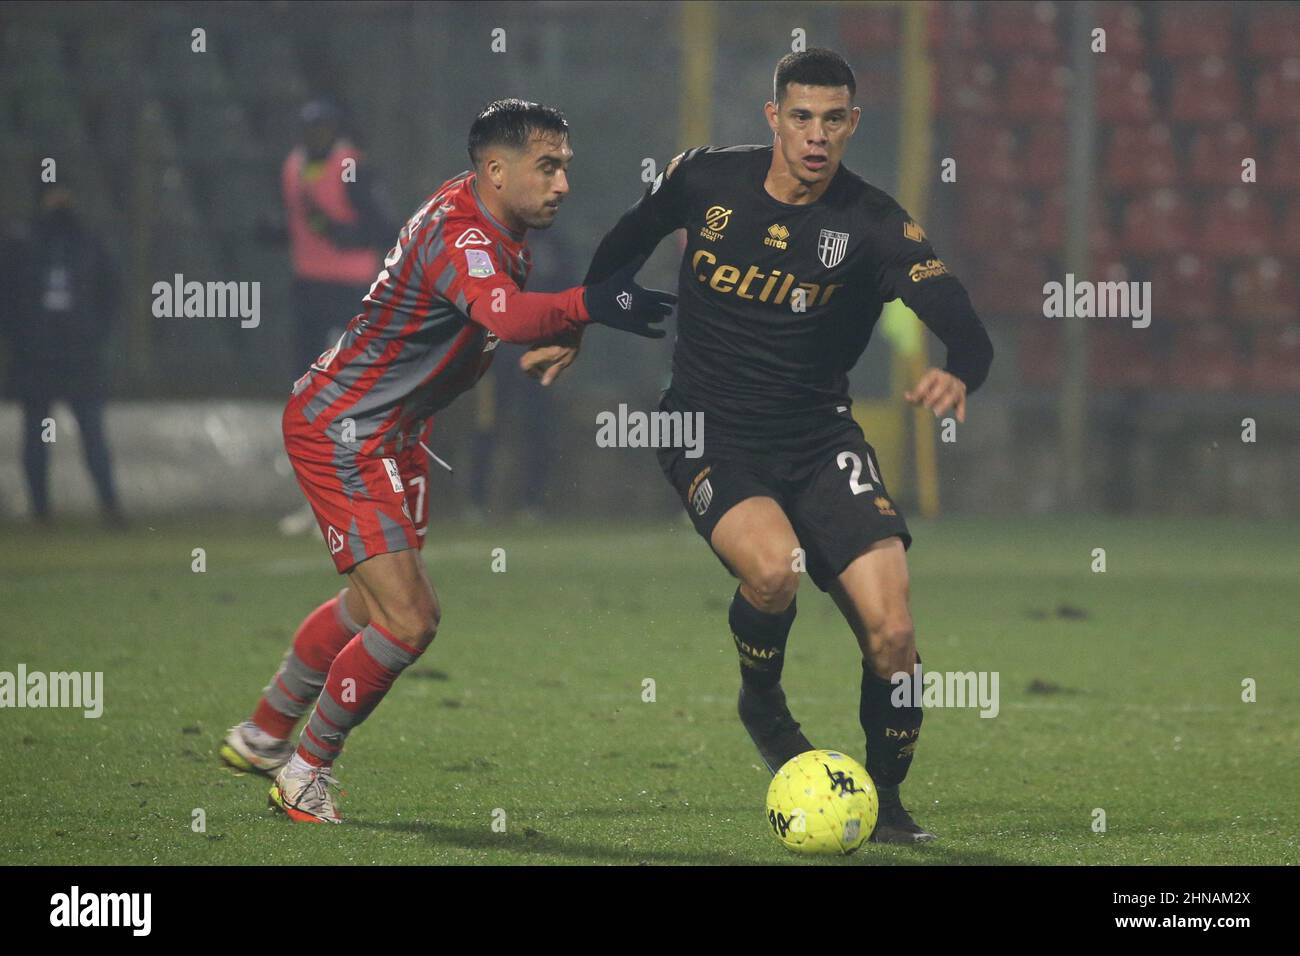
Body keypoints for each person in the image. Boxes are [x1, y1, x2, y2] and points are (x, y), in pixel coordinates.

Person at [220, 99, 673, 823]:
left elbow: (506, 314)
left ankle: (265, 733)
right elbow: (506, 316)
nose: (562, 184)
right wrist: (591, 304)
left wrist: (573, 321)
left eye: (565, 167)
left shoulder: (486, 211)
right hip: (347, 431)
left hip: (393, 432)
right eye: (547, 167)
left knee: (372, 607)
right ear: (496, 170)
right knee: (409, 621)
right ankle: (304, 774)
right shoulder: (463, 233)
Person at [582, 50, 994, 843]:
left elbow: (966, 327)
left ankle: (885, 797)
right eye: (801, 117)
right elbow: (623, 243)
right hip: (708, 431)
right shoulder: (705, 182)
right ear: (773, 117)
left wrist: (961, 376)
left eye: (833, 119)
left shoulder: (873, 224)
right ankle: (761, 699)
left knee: (896, 635)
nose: (816, 135)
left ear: (853, 124)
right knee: (775, 569)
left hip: (818, 438)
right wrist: (575, 319)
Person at [0, 186, 123, 525]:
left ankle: (110, 505)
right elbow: (8, 295)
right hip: (36, 355)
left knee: (92, 432)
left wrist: (93, 333)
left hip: (79, 354)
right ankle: (41, 510)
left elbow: (110, 291)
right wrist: (22, 338)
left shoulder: (86, 240)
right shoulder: (22, 242)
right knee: (38, 434)